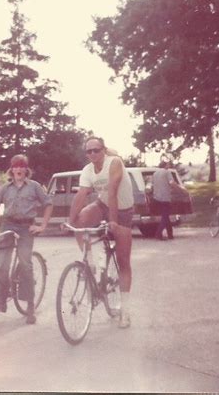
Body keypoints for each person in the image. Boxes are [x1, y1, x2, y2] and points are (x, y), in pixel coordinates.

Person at [68, 136, 133, 329]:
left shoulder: (114, 163)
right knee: (80, 221)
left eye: (96, 150)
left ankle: (126, 312)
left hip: (123, 211)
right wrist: (70, 221)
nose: (93, 154)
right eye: (89, 151)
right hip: (103, 204)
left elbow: (113, 191)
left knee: (123, 262)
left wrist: (113, 221)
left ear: (103, 150)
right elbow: (81, 195)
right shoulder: (88, 170)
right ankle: (91, 262)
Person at [0, 154, 53, 324]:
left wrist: (42, 226)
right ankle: (1, 300)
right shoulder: (6, 188)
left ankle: (30, 307)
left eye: (22, 166)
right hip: (8, 225)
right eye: (15, 166)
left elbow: (48, 204)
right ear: (11, 169)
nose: (18, 169)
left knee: (25, 265)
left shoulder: (34, 186)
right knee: (2, 265)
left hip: (25, 228)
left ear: (26, 169)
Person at [151, 160, 182, 241]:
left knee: (166, 216)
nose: (169, 166)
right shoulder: (167, 172)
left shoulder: (155, 174)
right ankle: (158, 233)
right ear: (165, 166)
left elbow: (152, 185)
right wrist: (180, 190)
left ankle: (170, 234)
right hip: (165, 198)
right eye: (168, 165)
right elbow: (172, 183)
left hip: (156, 198)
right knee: (165, 217)